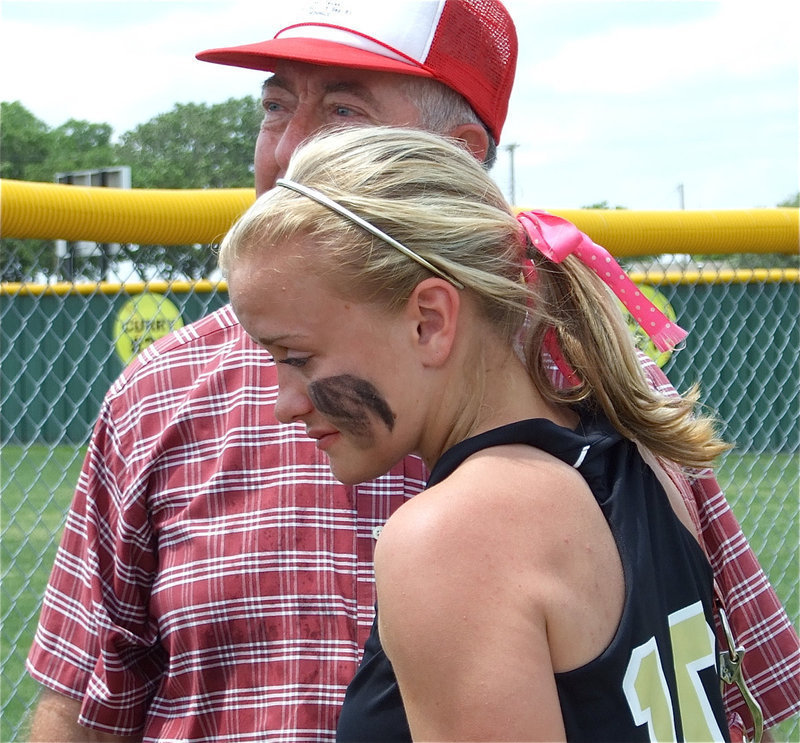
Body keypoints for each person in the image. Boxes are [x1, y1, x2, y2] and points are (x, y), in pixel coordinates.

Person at [25, 1, 799, 741]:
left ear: (453, 162)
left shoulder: (607, 386)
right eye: (274, 106)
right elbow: (86, 696)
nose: (289, 151)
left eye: (342, 115)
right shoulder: (157, 394)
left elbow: (735, 692)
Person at [217, 124, 734, 741]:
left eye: (297, 358)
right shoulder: (640, 455)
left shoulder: (452, 538)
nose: (284, 403)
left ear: (429, 322)